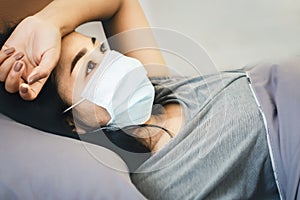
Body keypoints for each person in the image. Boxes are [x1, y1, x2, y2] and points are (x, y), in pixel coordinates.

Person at [1, 0, 300, 199]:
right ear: (72, 120)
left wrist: (47, 24)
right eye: (89, 67)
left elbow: (119, 3)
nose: (112, 62)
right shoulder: (161, 181)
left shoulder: (158, 85)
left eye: (101, 49)